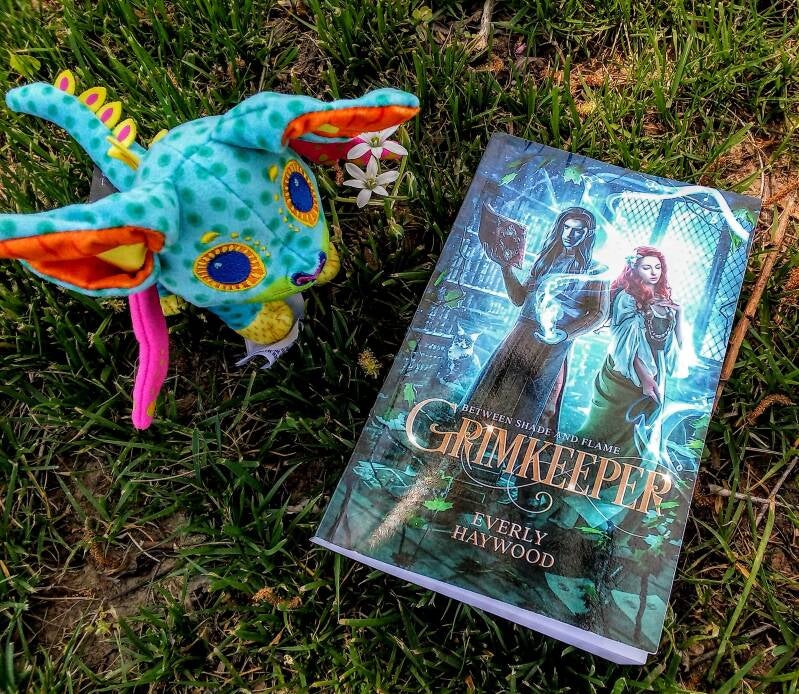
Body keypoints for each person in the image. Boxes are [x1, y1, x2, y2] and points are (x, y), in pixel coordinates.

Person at [464, 206, 609, 432]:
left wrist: (565, 334)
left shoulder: (597, 270)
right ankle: (474, 434)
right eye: (566, 228)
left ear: (588, 234)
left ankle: (517, 447)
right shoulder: (545, 261)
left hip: (553, 342)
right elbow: (520, 299)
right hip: (522, 333)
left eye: (578, 230)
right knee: (497, 387)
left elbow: (599, 314)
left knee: (534, 402)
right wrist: (505, 268)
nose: (570, 234)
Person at [576, 246, 682, 460]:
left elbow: (674, 344)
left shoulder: (664, 300)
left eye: (657, 267)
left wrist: (679, 314)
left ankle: (612, 474)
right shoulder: (627, 298)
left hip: (655, 370)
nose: (653, 272)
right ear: (634, 270)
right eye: (646, 267)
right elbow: (624, 346)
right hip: (625, 373)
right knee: (604, 428)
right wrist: (645, 378)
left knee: (635, 433)